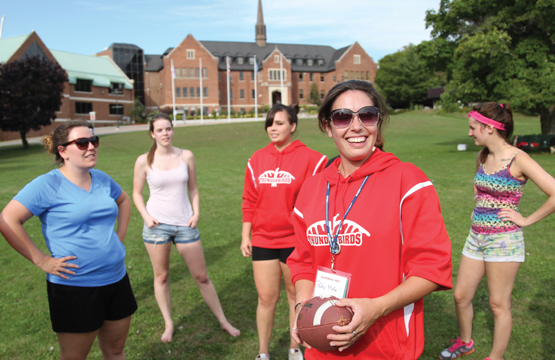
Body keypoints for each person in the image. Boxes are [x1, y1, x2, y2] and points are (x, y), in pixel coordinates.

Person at [287, 80, 453, 360]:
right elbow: (302, 262)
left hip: (384, 347)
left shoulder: (408, 181)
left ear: (378, 122)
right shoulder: (312, 189)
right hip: (322, 348)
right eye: (342, 117)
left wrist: (377, 307)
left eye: (366, 115)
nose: (356, 127)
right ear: (328, 127)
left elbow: (432, 268)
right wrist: (304, 307)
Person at [0, 120, 136, 360]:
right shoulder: (48, 184)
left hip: (116, 279)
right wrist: (41, 260)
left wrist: (119, 237)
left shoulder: (102, 179)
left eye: (93, 141)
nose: (91, 147)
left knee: (116, 350)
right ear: (63, 151)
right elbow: (7, 219)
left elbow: (123, 200)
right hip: (75, 287)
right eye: (82, 143)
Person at [439, 103, 555, 360]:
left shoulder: (518, 158)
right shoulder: (483, 155)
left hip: (503, 241)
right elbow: (478, 184)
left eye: (473, 128)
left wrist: (525, 220)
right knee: (460, 296)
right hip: (476, 237)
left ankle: (496, 357)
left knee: (498, 304)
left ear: (489, 128)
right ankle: (466, 342)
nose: (470, 133)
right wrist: (477, 207)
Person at [133, 113, 240, 343]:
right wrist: (146, 216)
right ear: (152, 134)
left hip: (185, 224)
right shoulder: (144, 160)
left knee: (202, 276)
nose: (165, 134)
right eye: (160, 130)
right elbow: (136, 193)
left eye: (168, 129)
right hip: (156, 226)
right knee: (161, 277)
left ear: (173, 130)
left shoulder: (186, 156)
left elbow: (194, 189)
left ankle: (223, 321)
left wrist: (197, 212)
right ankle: (168, 324)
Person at [241, 104, 327, 360]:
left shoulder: (313, 159)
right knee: (266, 298)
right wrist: (246, 235)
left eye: (279, 123)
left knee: (295, 296)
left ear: (293, 126)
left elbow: (316, 202)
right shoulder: (256, 159)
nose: (272, 128)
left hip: (296, 242)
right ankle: (263, 353)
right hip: (264, 240)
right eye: (270, 123)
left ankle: (294, 348)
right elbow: (249, 200)